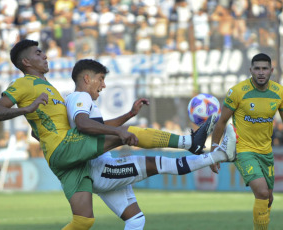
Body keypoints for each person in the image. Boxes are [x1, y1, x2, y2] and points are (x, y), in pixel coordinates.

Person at [0, 39, 217, 230]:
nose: (45, 55)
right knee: (125, 134)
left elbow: (46, 129)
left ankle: (192, 144)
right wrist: (26, 110)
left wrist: (126, 116)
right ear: (26, 62)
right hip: (65, 148)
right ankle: (190, 142)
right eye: (38, 53)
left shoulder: (51, 90)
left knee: (84, 221)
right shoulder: (24, 84)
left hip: (67, 159)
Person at [65, 59, 238, 229]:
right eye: (101, 78)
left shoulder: (82, 101)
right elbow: (83, 124)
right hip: (99, 169)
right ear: (87, 78)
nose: (103, 85)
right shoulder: (80, 97)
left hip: (98, 168)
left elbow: (97, 126)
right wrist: (120, 131)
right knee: (159, 163)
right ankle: (211, 150)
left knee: (135, 220)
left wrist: (129, 114)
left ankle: (200, 146)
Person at [210, 53, 283, 230]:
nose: (261, 72)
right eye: (257, 68)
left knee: (268, 199)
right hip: (243, 150)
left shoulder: (280, 92)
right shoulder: (237, 92)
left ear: (271, 71)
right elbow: (221, 122)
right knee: (262, 192)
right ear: (250, 70)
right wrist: (214, 149)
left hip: (266, 152)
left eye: (264, 68)